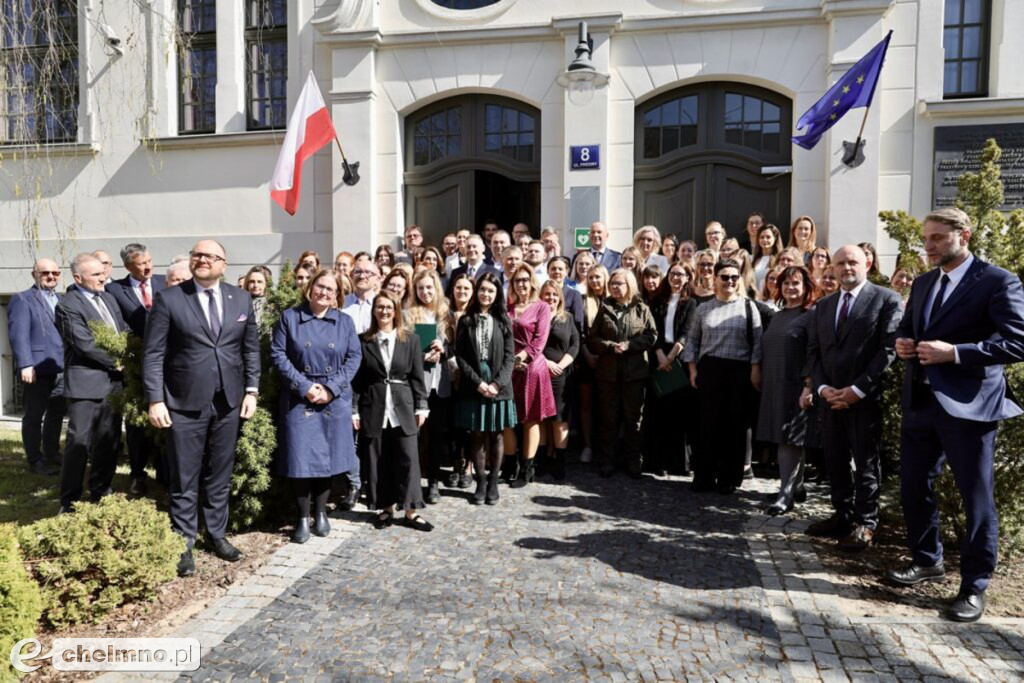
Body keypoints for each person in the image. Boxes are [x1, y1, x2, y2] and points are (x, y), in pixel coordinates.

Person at [888, 208, 1024, 622]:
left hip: (970, 406)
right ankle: (928, 559)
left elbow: (1017, 343)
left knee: (976, 497)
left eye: (936, 239)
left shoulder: (998, 281)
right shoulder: (926, 281)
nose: (927, 246)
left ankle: (974, 588)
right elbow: (907, 327)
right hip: (922, 402)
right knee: (912, 486)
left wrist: (956, 353)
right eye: (925, 238)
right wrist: (903, 344)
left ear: (963, 235)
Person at [143, 240, 261, 577]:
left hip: (228, 402)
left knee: (220, 473)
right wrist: (155, 399)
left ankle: (216, 534)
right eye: (198, 254)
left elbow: (250, 349)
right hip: (183, 401)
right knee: (184, 475)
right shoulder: (170, 299)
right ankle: (183, 545)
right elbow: (153, 354)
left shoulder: (240, 299)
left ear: (224, 264)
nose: (203, 259)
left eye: (211, 256)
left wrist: (251, 390)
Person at [804, 245, 901, 552]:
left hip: (865, 399)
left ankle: (866, 523)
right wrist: (822, 390)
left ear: (868, 263)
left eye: (853, 262)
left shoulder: (886, 299)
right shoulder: (823, 306)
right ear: (831, 268)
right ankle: (843, 515)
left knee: (866, 462)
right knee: (834, 460)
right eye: (840, 263)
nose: (846, 267)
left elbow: (888, 350)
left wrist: (857, 390)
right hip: (830, 399)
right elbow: (814, 353)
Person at [271, 269, 361, 543]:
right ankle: (301, 517)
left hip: (333, 399)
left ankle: (321, 513)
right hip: (300, 398)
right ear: (310, 287)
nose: (323, 292)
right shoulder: (290, 318)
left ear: (337, 296)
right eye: (320, 286)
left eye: (330, 289)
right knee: (301, 460)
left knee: (326, 460)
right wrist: (305, 387)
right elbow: (278, 354)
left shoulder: (344, 322)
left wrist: (331, 389)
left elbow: (354, 358)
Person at [353, 292, 433, 531]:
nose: (384, 311)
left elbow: (417, 377)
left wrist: (422, 405)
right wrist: (354, 410)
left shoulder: (411, 339)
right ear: (374, 310)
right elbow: (357, 381)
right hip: (374, 406)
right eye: (379, 307)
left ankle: (411, 511)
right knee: (378, 459)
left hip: (404, 407)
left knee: (408, 458)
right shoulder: (362, 341)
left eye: (389, 307)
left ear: (396, 310)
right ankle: (385, 508)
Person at [55, 254, 128, 512]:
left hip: (114, 385)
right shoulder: (67, 305)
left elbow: (122, 330)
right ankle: (70, 501)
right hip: (86, 384)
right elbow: (83, 342)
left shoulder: (108, 298)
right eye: (96, 274)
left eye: (103, 272)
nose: (103, 277)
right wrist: (118, 362)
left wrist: (132, 352)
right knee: (79, 444)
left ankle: (100, 491)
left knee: (109, 441)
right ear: (78, 278)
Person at [684, 258, 762, 494]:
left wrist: (755, 370)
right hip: (710, 371)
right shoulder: (703, 308)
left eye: (734, 277)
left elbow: (758, 342)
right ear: (715, 279)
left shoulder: (749, 307)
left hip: (739, 371)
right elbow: (693, 341)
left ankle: (729, 477)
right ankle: (704, 476)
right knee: (707, 425)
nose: (729, 281)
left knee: (734, 426)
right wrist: (693, 370)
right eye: (725, 277)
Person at [106, 243, 168, 495]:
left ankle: (165, 475)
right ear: (128, 266)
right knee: (136, 425)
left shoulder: (166, 282)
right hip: (134, 366)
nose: (148, 266)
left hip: (168, 364)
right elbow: (115, 324)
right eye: (141, 263)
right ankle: (137, 473)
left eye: (150, 260)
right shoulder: (114, 289)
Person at [758, 266, 820, 515]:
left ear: (806, 287)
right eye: (786, 283)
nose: (790, 287)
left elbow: (814, 351)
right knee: (790, 438)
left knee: (789, 438)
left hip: (796, 384)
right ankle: (797, 486)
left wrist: (808, 385)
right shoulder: (779, 315)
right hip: (775, 381)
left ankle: (785, 496)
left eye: (795, 283)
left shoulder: (811, 315)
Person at [454, 273, 517, 504]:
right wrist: (479, 383)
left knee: (497, 434)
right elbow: (460, 355)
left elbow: (510, 356)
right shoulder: (466, 319)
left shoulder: (503, 319)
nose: (486, 294)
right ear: (476, 291)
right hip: (474, 385)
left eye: (491, 290)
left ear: (497, 293)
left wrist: (496, 384)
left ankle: (493, 481)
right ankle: (480, 481)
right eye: (482, 290)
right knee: (477, 435)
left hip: (499, 385)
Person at [589, 268, 657, 478]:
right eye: (612, 284)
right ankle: (607, 460)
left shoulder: (641, 308)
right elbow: (592, 340)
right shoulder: (605, 307)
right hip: (608, 374)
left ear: (630, 285)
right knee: (608, 418)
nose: (614, 287)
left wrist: (630, 345)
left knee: (633, 418)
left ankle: (633, 460)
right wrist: (610, 346)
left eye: (619, 284)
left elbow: (652, 336)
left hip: (634, 374)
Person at [10, 258, 66, 475]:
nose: (51, 277)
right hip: (36, 369)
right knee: (34, 416)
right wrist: (25, 364)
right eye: (45, 273)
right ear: (34, 274)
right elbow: (18, 335)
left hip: (60, 368)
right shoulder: (23, 299)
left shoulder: (62, 300)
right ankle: (35, 459)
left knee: (56, 414)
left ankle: (51, 453)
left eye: (55, 273)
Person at [506, 264, 556, 488]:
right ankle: (510, 466)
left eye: (525, 279)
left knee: (530, 419)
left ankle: (527, 469)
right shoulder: (506, 307)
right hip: (507, 370)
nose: (522, 284)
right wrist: (508, 362)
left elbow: (539, 341)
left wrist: (520, 359)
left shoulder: (541, 307)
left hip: (532, 368)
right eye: (517, 280)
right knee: (507, 418)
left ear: (532, 281)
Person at [407, 269, 454, 503]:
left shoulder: (446, 314)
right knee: (414, 436)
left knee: (436, 436)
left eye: (429, 287)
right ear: (414, 290)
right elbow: (402, 352)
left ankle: (433, 482)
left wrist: (444, 351)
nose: (425, 292)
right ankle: (413, 483)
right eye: (420, 288)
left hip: (441, 383)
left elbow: (457, 348)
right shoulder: (408, 315)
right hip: (418, 385)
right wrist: (422, 356)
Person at [647, 262, 698, 477]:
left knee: (679, 413)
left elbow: (687, 332)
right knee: (659, 412)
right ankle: (657, 462)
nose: (676, 278)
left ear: (688, 278)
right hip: (657, 356)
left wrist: (670, 358)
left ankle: (679, 463)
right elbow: (653, 330)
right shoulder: (657, 301)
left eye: (681, 274)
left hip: (679, 358)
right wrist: (660, 355)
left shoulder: (691, 303)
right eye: (673, 274)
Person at [539, 280, 579, 480]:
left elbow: (575, 345)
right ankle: (543, 460)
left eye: (554, 295)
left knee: (559, 418)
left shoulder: (567, 318)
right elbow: (532, 344)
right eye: (547, 294)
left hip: (560, 375)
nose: (551, 298)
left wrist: (560, 366)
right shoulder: (536, 316)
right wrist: (545, 363)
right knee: (542, 418)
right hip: (539, 371)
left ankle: (559, 463)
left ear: (560, 298)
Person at [446, 272, 475, 489]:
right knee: (453, 424)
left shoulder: (475, 315)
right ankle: (456, 465)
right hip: (448, 374)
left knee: (470, 425)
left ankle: (469, 467)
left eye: (466, 288)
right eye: (458, 288)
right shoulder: (445, 314)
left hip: (471, 376)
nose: (462, 291)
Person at [577, 265, 609, 464]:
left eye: (598, 277)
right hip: (587, 358)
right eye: (591, 278)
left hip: (609, 359)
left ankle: (606, 447)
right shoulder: (582, 301)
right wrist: (587, 355)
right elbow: (579, 331)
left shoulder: (613, 300)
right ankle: (587, 445)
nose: (594, 281)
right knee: (586, 404)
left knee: (607, 405)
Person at [342, 258, 381, 334]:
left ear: (377, 279)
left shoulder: (381, 304)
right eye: (358, 272)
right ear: (352, 276)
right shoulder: (341, 303)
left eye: (368, 272)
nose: (362, 276)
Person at [546, 256, 583, 330]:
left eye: (560, 269)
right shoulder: (541, 293)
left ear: (566, 272)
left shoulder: (574, 294)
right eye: (553, 269)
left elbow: (578, 322)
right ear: (547, 271)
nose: (557, 271)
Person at [752, 224, 784, 291]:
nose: (764, 240)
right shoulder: (752, 259)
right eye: (762, 237)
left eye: (768, 237)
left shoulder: (780, 260)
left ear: (775, 238)